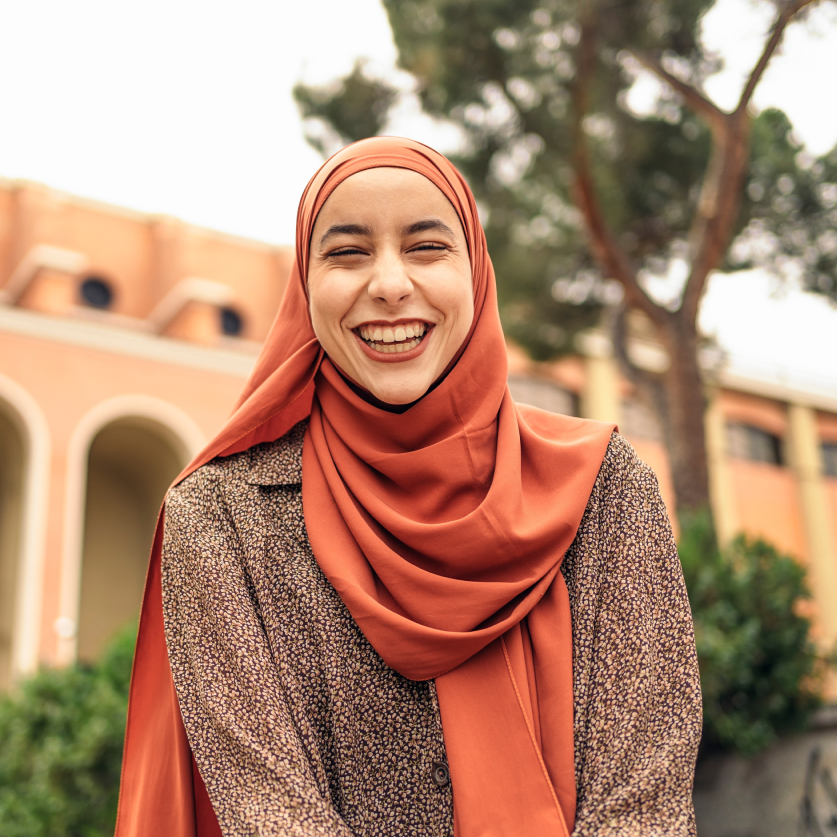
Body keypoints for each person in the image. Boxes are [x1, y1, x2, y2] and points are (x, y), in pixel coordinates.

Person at [114, 137, 702, 837]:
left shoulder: (601, 485)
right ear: (304, 286)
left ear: (475, 269)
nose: (390, 284)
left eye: (426, 247)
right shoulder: (220, 516)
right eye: (347, 252)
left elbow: (644, 796)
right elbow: (269, 808)